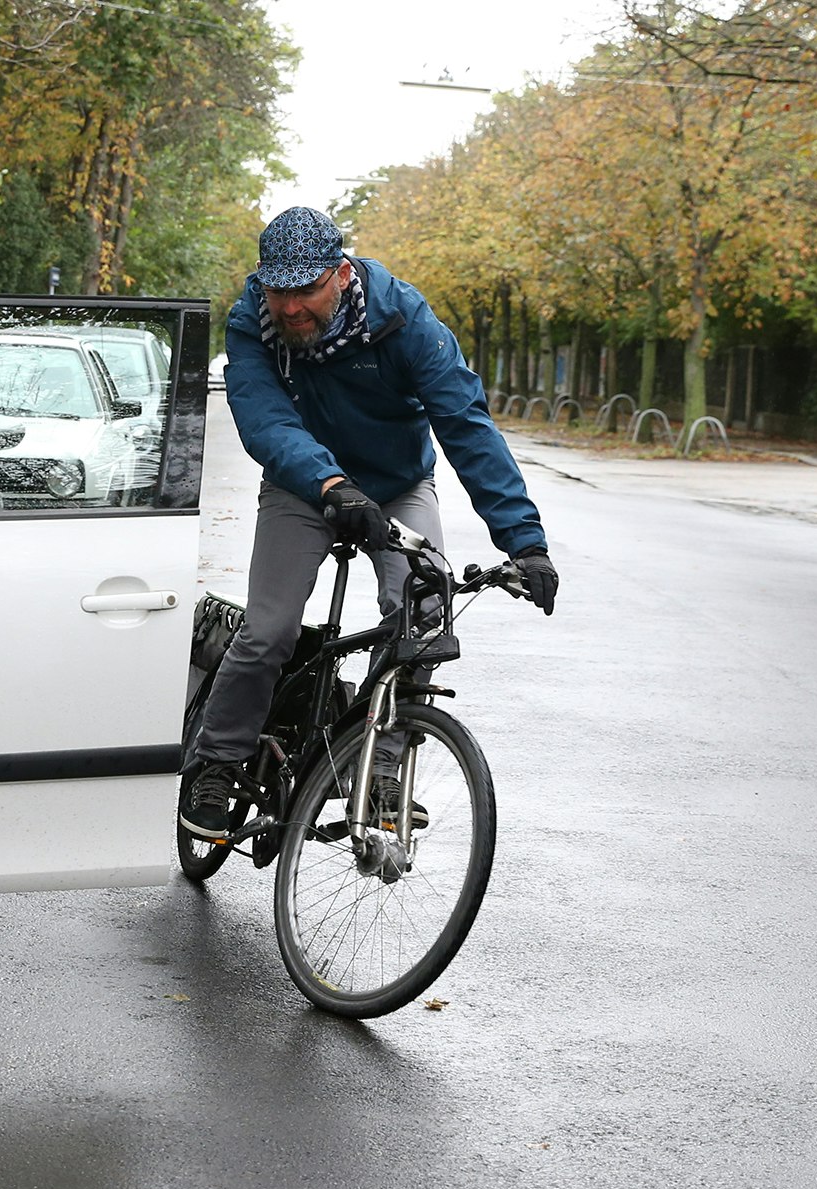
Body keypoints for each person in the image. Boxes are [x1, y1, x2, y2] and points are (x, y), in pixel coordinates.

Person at [181, 206, 559, 837]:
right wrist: (329, 484)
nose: (292, 307)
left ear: (341, 272)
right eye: (280, 291)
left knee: (422, 614)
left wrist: (526, 541)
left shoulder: (403, 321)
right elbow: (264, 419)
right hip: (304, 485)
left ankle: (379, 765)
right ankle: (215, 762)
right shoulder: (252, 321)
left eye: (306, 290)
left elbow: (466, 426)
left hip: (394, 485)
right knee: (269, 630)